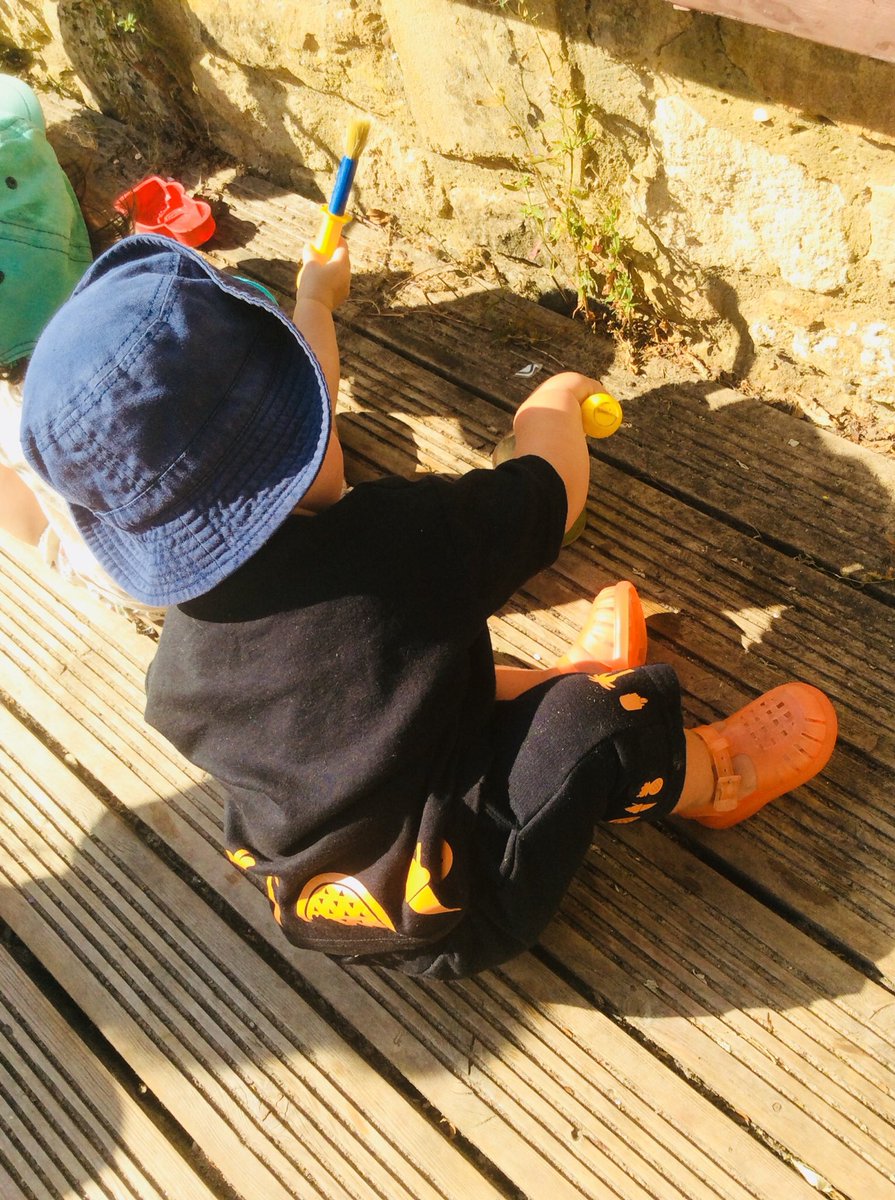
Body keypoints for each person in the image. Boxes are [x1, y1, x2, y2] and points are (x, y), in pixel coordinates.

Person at [20, 232, 838, 979]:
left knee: (401, 681)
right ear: (309, 436)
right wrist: (547, 409)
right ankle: (710, 778)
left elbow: (373, 707)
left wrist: (314, 303)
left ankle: (567, 681)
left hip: (323, 901)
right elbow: (550, 490)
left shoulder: (182, 663)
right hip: (454, 906)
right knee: (596, 728)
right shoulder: (397, 548)